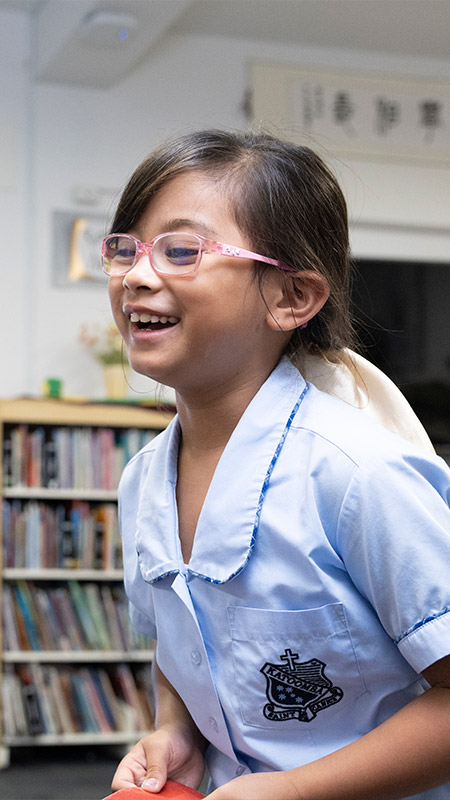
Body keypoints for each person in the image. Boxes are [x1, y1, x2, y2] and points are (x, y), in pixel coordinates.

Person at [104, 129, 450, 799]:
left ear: (293, 297)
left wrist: (293, 789)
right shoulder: (141, 480)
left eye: (181, 250)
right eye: (127, 248)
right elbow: (187, 640)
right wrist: (177, 731)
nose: (136, 275)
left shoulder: (358, 476)